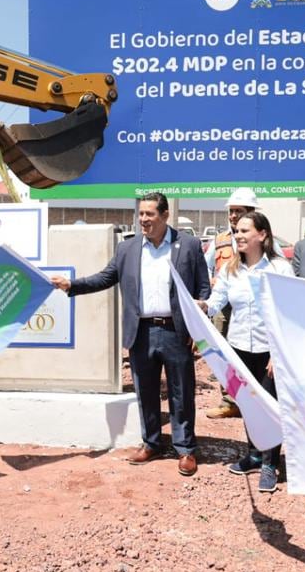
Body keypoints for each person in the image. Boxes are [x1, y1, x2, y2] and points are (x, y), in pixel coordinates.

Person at [50, 193, 210, 476]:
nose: (144, 220)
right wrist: (71, 285)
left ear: (165, 216)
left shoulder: (188, 245)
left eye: (150, 214)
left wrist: (198, 326)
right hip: (141, 332)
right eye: (141, 214)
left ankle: (185, 449)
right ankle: (151, 443)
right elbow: (105, 277)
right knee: (145, 390)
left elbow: (203, 289)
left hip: (176, 331)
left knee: (181, 392)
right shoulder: (128, 249)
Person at [202, 211, 292, 491]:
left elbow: (288, 314)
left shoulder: (280, 269)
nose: (238, 236)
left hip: (270, 352)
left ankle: (270, 463)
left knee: (270, 408)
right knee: (249, 406)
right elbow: (216, 302)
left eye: (244, 231)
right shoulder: (230, 268)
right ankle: (253, 455)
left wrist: (278, 355)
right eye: (236, 231)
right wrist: (202, 306)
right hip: (239, 349)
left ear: (262, 235)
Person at [205, 187, 259, 420]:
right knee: (224, 353)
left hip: (250, 308)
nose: (233, 216)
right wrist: (212, 280)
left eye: (239, 211)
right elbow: (205, 267)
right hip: (222, 306)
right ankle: (230, 400)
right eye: (231, 211)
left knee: (251, 352)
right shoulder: (220, 240)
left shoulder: (263, 239)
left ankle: (255, 398)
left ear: (251, 212)